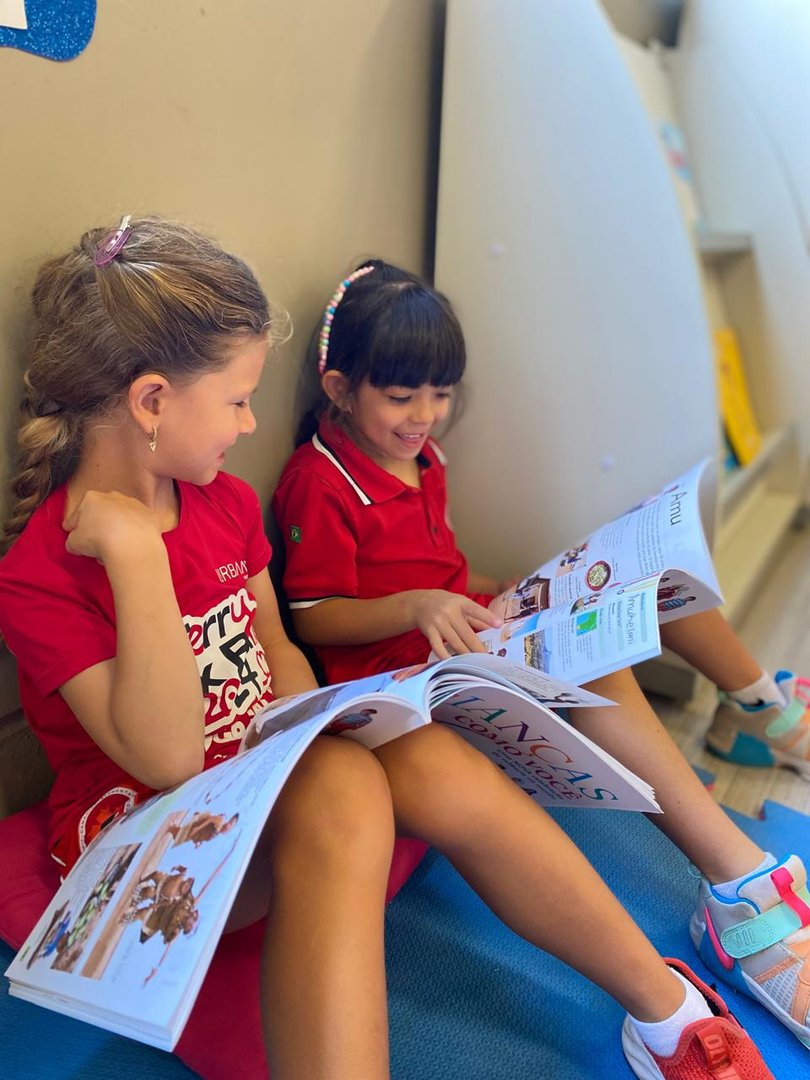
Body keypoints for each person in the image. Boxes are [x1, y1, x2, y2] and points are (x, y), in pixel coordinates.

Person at [0, 222, 774, 1080]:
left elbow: (274, 643)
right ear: (151, 402)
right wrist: (138, 557)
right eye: (237, 401)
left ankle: (668, 1012)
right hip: (147, 840)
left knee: (419, 759)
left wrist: (301, 719)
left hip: (256, 774)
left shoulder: (219, 502)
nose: (251, 424)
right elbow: (171, 758)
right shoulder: (41, 572)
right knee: (343, 782)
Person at [273, 257, 810, 1058]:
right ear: (340, 388)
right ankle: (742, 883)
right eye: (402, 396)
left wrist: (507, 593)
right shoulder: (318, 482)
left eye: (441, 393)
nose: (426, 416)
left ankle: (763, 706)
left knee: (638, 586)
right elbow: (314, 618)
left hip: (459, 632)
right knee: (598, 663)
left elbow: (439, 569)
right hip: (410, 680)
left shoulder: (422, 458)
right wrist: (421, 606)